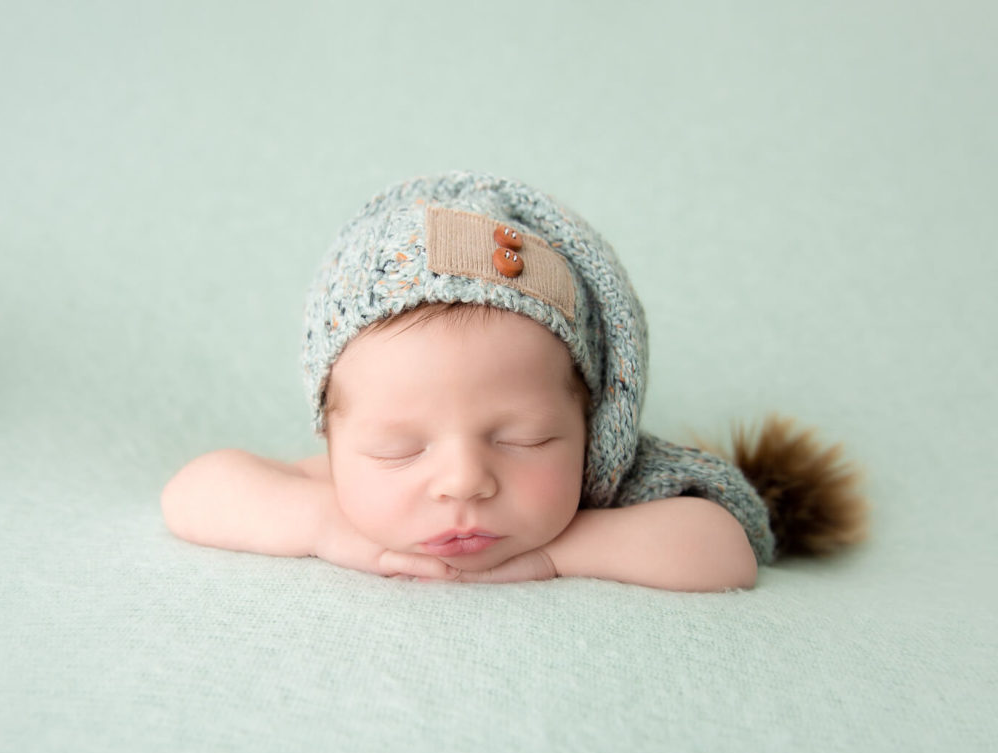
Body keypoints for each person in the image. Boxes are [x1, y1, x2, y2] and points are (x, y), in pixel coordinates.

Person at [161, 171, 867, 591]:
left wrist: (561, 550)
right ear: (334, 433)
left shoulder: (615, 489)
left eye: (526, 439)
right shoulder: (340, 494)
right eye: (400, 449)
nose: (464, 481)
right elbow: (191, 491)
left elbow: (727, 550)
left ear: (593, 425)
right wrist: (321, 524)